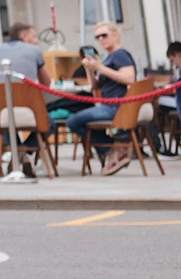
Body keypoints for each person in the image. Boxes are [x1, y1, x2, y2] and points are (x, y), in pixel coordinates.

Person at [55, 21, 140, 175]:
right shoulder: (108, 58)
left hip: (116, 106)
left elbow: (129, 78)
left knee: (73, 121)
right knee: (74, 121)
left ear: (116, 35)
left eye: (104, 35)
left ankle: (112, 148)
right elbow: (95, 86)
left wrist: (100, 68)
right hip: (109, 105)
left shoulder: (120, 54)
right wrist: (90, 69)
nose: (101, 39)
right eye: (97, 37)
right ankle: (114, 149)